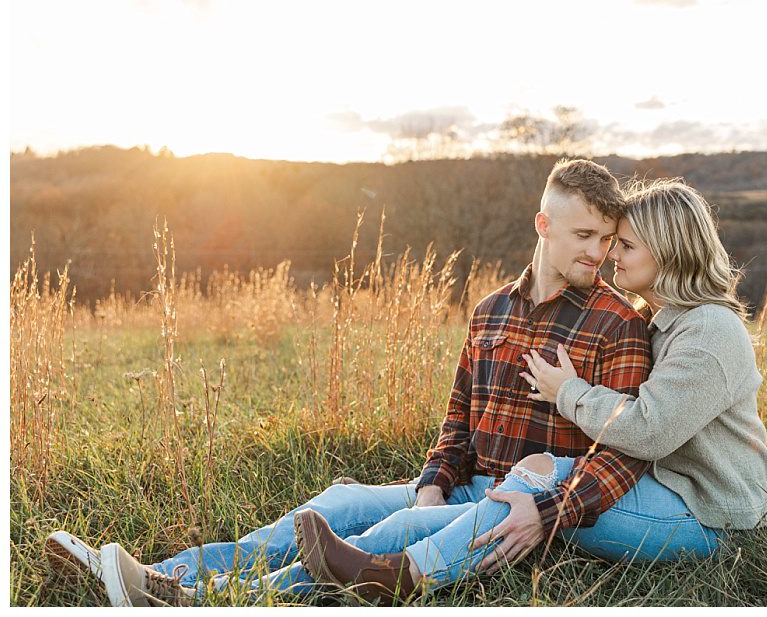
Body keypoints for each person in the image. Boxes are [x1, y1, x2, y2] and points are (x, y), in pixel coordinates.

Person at [44, 158, 653, 606]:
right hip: (463, 487)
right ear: (543, 225)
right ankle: (153, 574)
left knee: (380, 533)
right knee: (336, 501)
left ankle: (210, 599)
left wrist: (544, 509)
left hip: (515, 506)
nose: (598, 253)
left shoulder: (619, 324)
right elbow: (458, 418)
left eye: (606, 239)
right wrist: (435, 483)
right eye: (583, 236)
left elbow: (624, 445)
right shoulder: (490, 308)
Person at [293, 177, 767, 602]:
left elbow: (648, 431)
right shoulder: (663, 323)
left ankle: (405, 576)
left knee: (531, 485)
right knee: (523, 481)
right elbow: (460, 413)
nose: (610, 256)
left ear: (668, 250)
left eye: (624, 245)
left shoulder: (710, 329)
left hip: (707, 518)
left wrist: (569, 391)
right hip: (664, 491)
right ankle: (346, 561)